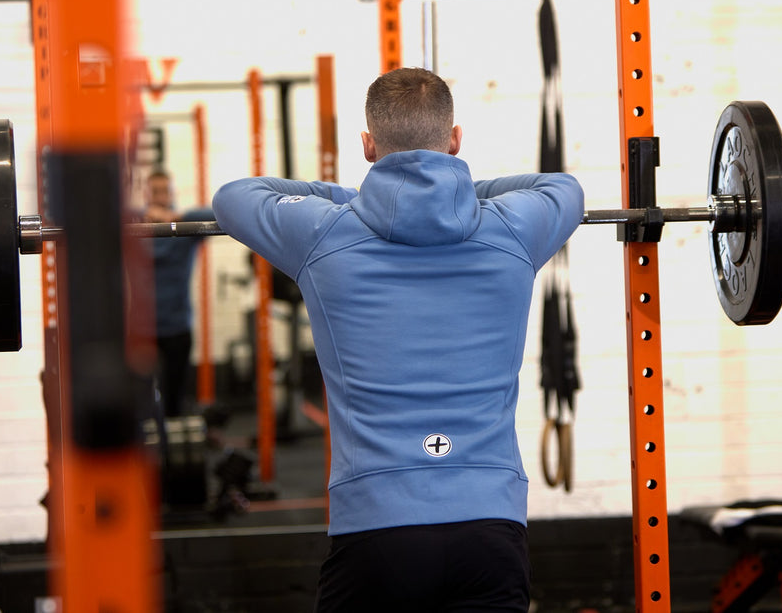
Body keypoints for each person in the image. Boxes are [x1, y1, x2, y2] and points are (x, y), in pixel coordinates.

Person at [212, 67, 584, 612]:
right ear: (455, 140)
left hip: (376, 532)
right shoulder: (513, 228)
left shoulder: (321, 232)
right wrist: (456, 189)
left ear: (368, 146)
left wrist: (366, 196)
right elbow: (562, 187)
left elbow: (234, 196)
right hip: (491, 528)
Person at [138, 169, 213, 418]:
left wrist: (174, 217)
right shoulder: (135, 225)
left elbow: (220, 216)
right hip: (142, 331)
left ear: (172, 194)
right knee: (141, 404)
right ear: (146, 194)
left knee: (174, 404)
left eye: (164, 191)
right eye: (155, 191)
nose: (160, 197)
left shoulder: (185, 225)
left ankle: (172, 453)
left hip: (177, 328)